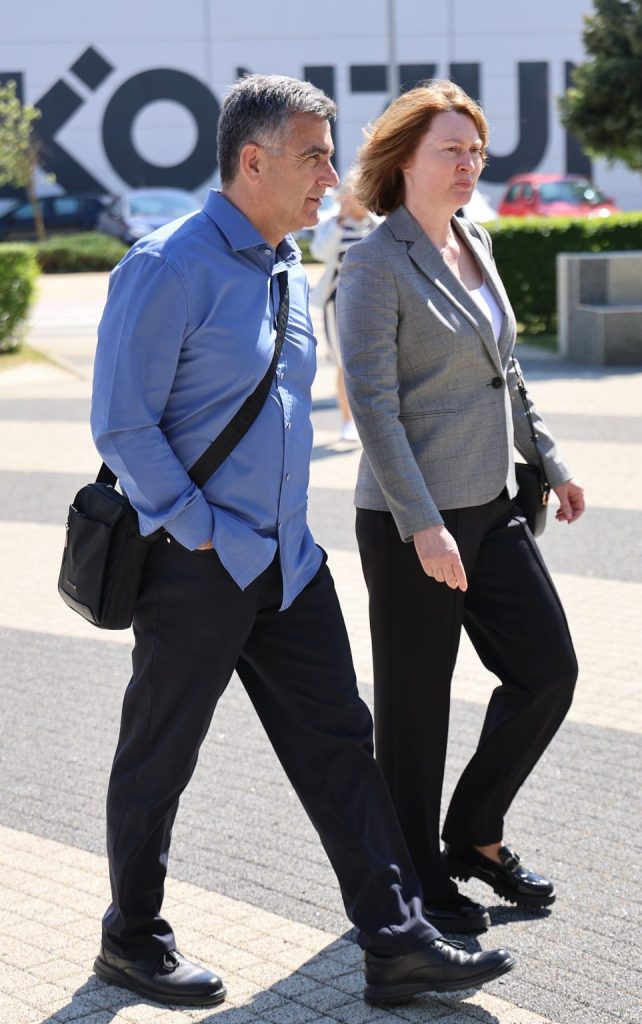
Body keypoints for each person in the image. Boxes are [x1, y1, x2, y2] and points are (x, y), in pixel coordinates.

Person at [89, 74, 515, 1008]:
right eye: (315, 156)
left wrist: (285, 540)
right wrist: (202, 533)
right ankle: (131, 938)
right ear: (253, 161)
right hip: (197, 566)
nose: (334, 175)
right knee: (161, 753)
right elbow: (122, 424)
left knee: (341, 745)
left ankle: (396, 940)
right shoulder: (168, 266)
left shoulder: (283, 267)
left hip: (287, 564)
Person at [336, 80, 583, 936]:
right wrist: (423, 524)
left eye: (475, 149)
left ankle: (473, 833)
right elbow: (374, 406)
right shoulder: (374, 263)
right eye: (451, 148)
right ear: (403, 158)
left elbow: (503, 369)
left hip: (493, 505)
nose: (469, 162)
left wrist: (549, 460)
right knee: (416, 707)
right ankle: (415, 886)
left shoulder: (475, 238)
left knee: (548, 671)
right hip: (413, 522)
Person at [310, 175, 379, 440]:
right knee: (343, 361)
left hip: (373, 302)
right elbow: (320, 252)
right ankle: (347, 419)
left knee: (374, 359)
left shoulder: (377, 225)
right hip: (337, 302)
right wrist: (339, 221)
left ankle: (371, 420)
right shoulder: (332, 225)